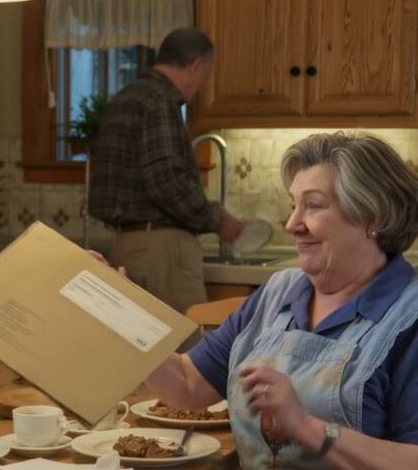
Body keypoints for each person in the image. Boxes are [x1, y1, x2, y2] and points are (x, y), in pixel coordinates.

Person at [145, 132, 418, 469]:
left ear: (373, 217)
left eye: (313, 205)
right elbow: (187, 384)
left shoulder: (409, 318)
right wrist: (114, 308)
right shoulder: (277, 294)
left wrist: (306, 426)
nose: (291, 224)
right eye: (293, 205)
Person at [88, 27, 243, 314]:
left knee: (138, 340)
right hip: (162, 251)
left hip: (126, 245)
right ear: (194, 66)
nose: (201, 86)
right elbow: (166, 181)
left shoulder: (125, 97)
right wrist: (217, 220)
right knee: (183, 339)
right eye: (205, 75)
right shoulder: (160, 101)